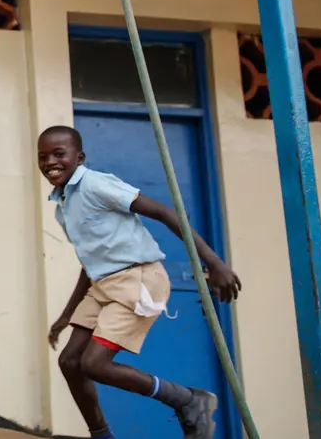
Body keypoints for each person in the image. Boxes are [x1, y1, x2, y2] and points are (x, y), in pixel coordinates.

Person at [38, 125, 241, 439]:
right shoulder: (63, 205)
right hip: (103, 284)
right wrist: (67, 315)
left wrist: (213, 263)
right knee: (70, 361)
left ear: (79, 157)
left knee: (94, 364)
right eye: (43, 156)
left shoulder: (95, 184)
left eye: (59, 154)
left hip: (138, 279)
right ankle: (101, 435)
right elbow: (88, 262)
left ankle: (187, 400)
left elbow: (163, 212)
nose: (50, 161)